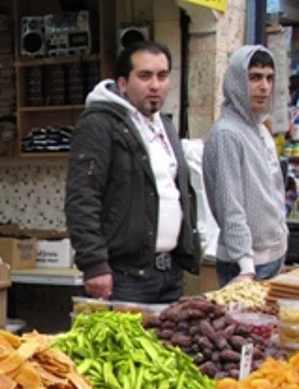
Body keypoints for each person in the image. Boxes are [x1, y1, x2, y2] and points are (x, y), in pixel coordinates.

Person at [65, 41, 200, 303]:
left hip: (169, 273)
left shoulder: (166, 127)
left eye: (162, 76)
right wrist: (94, 265)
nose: (155, 85)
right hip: (124, 277)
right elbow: (82, 198)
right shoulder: (100, 124)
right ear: (123, 83)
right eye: (144, 75)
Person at [203, 45, 288, 286]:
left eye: (269, 78)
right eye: (254, 78)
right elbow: (230, 205)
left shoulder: (260, 129)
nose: (264, 86)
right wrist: (245, 266)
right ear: (237, 82)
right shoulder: (227, 133)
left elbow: (273, 190)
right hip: (245, 266)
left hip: (270, 258)